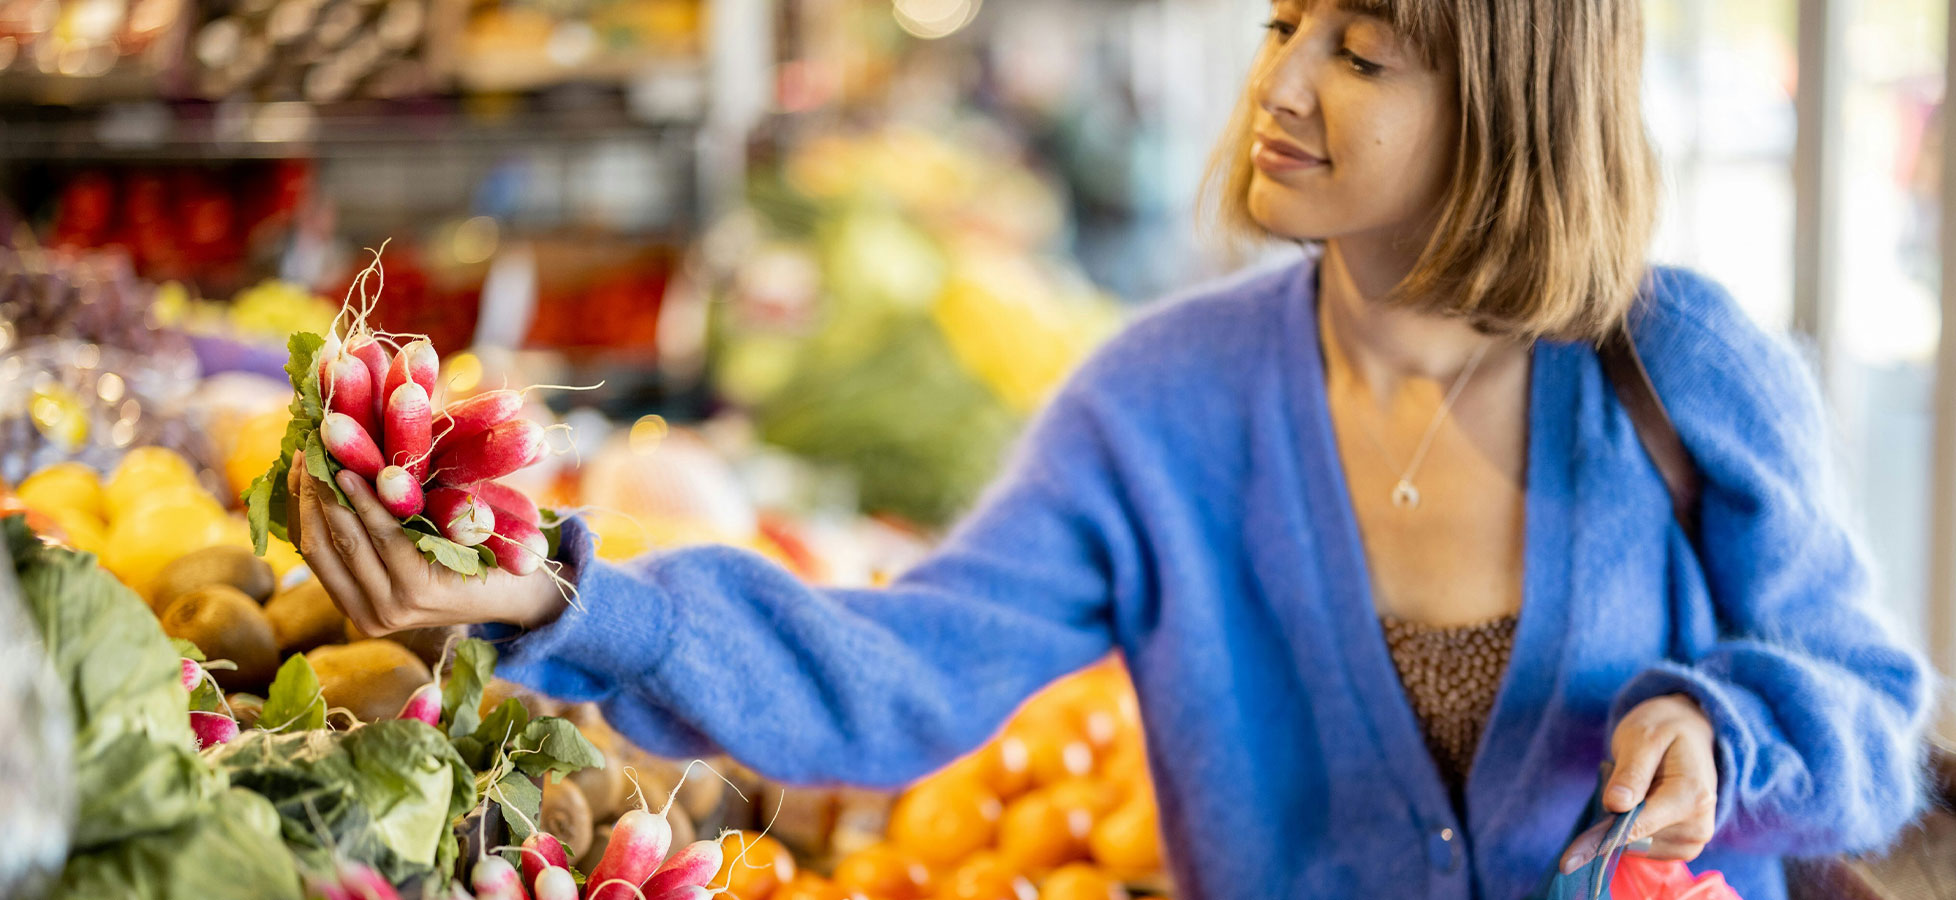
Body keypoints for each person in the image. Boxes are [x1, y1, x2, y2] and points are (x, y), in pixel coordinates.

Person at [289, 0, 1932, 896]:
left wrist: (1726, 739)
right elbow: (900, 669)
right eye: (1288, 21)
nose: (1280, 81)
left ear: (1511, 93)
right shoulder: (1167, 404)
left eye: (1363, 51)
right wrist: (566, 605)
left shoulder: (1677, 359)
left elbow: (1868, 716)